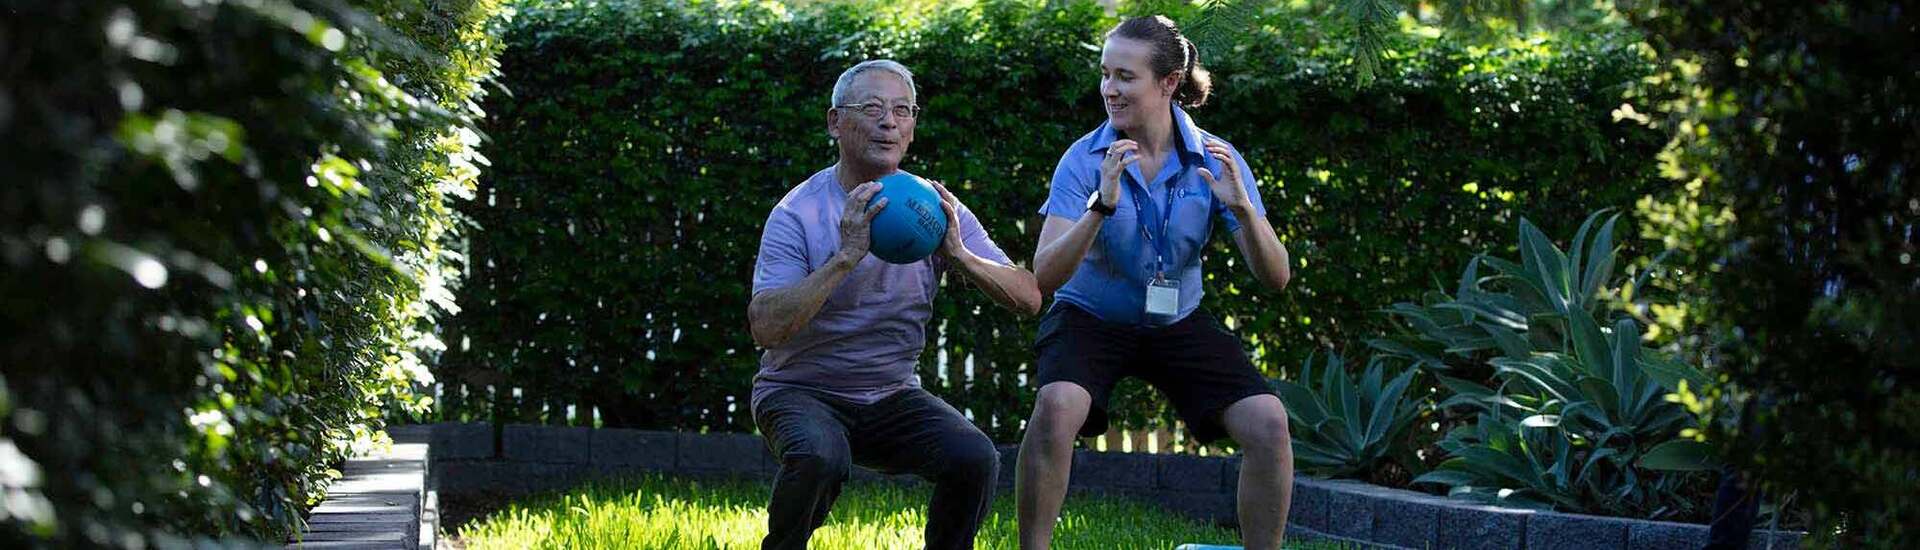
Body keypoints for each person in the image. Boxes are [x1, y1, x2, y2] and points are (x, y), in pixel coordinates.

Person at [1016, 16, 1297, 550]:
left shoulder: (1217, 160)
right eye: (1105, 74)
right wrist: (1099, 208)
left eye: (1125, 76)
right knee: (1057, 407)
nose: (1109, 89)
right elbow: (1045, 276)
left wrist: (1242, 208)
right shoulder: (1083, 158)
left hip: (1178, 320)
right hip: (1090, 317)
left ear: (1168, 83)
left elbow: (1276, 277)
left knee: (1268, 422)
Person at [746, 59, 1043, 550]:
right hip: (800, 390)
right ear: (835, 123)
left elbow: (1028, 297)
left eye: (903, 111)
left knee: (973, 457)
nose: (889, 121)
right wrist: (843, 259)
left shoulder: (935, 208)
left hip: (890, 394)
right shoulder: (797, 212)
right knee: (821, 456)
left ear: (911, 130)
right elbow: (765, 328)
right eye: (872, 108)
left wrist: (960, 256)